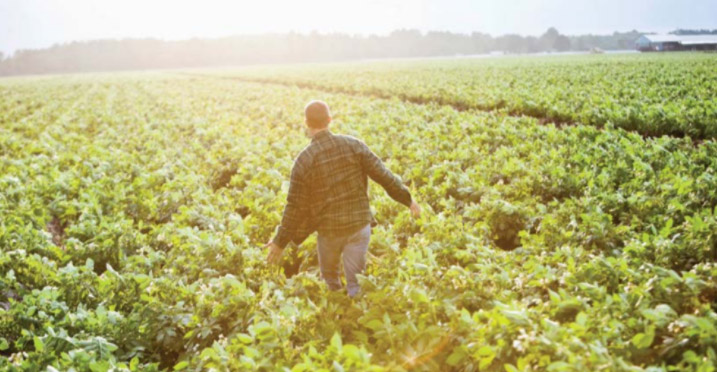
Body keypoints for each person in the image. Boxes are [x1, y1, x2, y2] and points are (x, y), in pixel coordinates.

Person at [264, 100, 421, 297]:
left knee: (330, 282)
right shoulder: (354, 145)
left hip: (330, 232)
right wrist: (408, 200)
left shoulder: (304, 160)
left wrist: (280, 242)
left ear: (306, 123)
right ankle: (357, 314)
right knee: (357, 284)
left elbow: (295, 207)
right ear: (329, 120)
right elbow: (383, 175)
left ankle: (338, 318)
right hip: (359, 226)